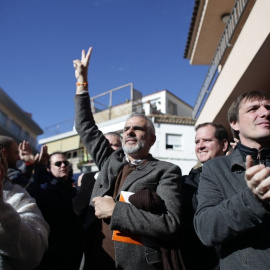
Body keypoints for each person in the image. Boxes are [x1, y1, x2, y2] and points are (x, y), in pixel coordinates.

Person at [73, 47, 183, 270]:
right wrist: (82, 83)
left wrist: (116, 211)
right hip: (95, 260)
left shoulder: (166, 170)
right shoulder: (110, 160)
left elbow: (170, 224)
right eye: (126, 128)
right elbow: (86, 126)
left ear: (152, 139)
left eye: (138, 129)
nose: (130, 132)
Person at [194, 91, 270, 269]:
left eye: (268, 107)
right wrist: (254, 200)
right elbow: (206, 230)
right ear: (234, 123)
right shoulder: (215, 169)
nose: (265, 113)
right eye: (253, 109)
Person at [181, 123, 229, 269]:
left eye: (207, 140)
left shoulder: (238, 177)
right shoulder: (184, 183)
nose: (200, 146)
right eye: (197, 142)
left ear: (224, 144)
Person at [27, 150, 84, 270]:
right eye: (58, 164)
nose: (63, 166)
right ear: (48, 168)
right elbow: (43, 191)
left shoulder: (74, 191)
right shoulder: (45, 190)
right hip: (51, 257)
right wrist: (39, 169)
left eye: (65, 163)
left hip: (74, 255)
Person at [0, 144, 49, 269]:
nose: (19, 157)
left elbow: (34, 250)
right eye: (16, 153)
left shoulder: (17, 194)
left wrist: (38, 168)